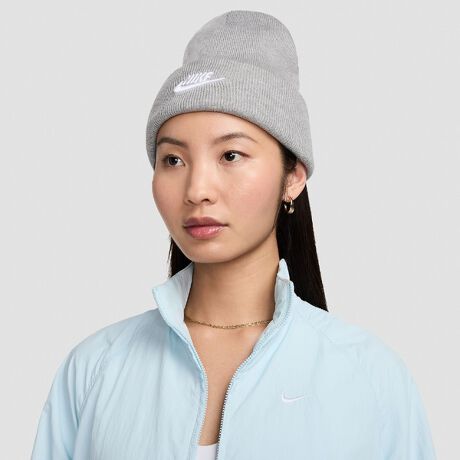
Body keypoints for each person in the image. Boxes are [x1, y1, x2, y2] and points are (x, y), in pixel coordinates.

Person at [31, 9, 437, 460]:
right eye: (173, 160)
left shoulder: (369, 378)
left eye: (230, 155)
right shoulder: (94, 370)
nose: (197, 190)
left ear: (293, 177)